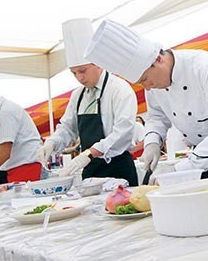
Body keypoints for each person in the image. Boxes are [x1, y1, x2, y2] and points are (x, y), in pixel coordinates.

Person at [85, 20, 208, 180]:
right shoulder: (154, 83)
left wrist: (179, 170)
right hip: (200, 151)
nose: (147, 88)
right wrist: (152, 143)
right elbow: (157, 117)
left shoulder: (206, 66)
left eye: (145, 79)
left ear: (158, 59)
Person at [37, 19, 138, 184]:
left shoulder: (119, 89)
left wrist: (90, 153)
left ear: (98, 63)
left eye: (83, 71)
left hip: (119, 168)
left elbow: (123, 132)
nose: (79, 78)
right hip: (90, 171)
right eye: (74, 73)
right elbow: (68, 128)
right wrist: (52, 143)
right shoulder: (78, 95)